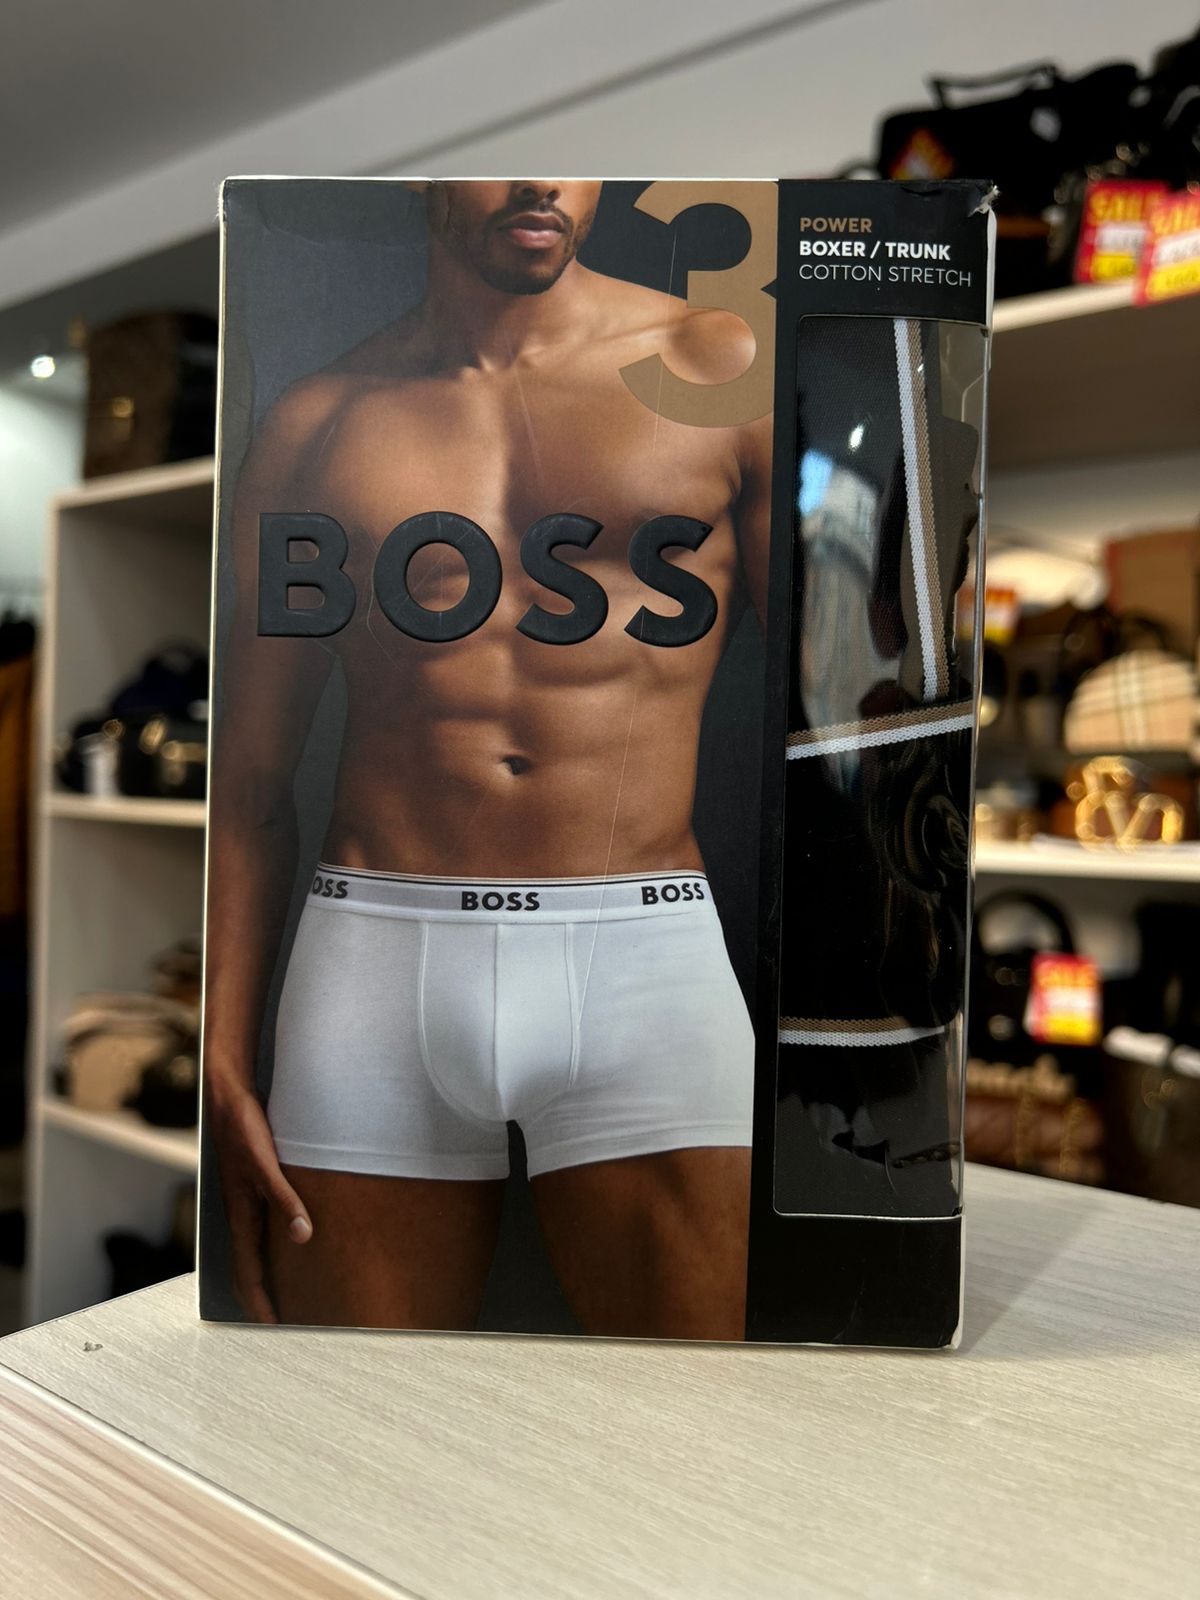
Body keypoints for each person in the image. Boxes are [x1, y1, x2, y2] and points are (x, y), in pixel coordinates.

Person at [204, 179, 773, 1339]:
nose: (538, 183)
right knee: (347, 1416)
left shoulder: (717, 364)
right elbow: (249, 781)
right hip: (376, 961)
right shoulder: (316, 423)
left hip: (642, 953)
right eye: (496, 157)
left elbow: (838, 722)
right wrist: (221, 1051)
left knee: (691, 1423)